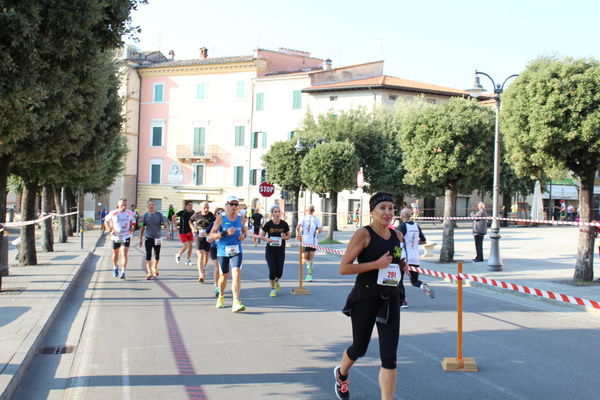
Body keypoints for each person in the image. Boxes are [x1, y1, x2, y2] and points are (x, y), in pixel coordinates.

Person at [335, 192, 407, 400]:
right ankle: (342, 374)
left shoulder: (397, 236)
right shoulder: (363, 234)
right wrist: (376, 265)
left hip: (389, 298)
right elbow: (344, 268)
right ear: (372, 211)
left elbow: (394, 262)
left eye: (390, 208)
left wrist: (402, 266)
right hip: (365, 297)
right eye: (382, 208)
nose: (387, 212)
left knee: (389, 357)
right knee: (359, 348)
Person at [209, 195, 247, 312]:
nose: (234, 207)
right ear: (227, 205)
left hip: (236, 250)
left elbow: (244, 231)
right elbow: (211, 235)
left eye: (236, 204)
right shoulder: (221, 218)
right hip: (222, 251)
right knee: (224, 276)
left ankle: (236, 301)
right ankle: (221, 296)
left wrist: (243, 236)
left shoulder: (241, 218)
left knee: (236, 274)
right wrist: (225, 233)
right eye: (232, 204)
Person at [396, 208, 434, 308]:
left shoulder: (402, 226)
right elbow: (424, 241)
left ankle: (403, 301)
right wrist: (413, 242)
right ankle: (422, 286)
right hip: (415, 257)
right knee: (414, 281)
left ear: (402, 216)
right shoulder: (416, 226)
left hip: (405, 258)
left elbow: (397, 239)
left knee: (399, 280)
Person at [260, 204, 290, 297]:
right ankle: (272, 289)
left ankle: (276, 281)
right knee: (272, 271)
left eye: (278, 211)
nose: (277, 213)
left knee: (279, 272)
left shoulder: (284, 224)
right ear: (272, 213)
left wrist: (285, 237)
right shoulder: (268, 224)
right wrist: (267, 240)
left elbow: (288, 236)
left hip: (281, 250)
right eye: (275, 212)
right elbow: (262, 236)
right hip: (270, 250)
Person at [104, 198, 137, 279]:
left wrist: (132, 228)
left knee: (124, 252)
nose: (124, 207)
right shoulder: (113, 213)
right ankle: (115, 267)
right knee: (115, 252)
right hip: (116, 236)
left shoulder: (129, 213)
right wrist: (110, 230)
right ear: (118, 205)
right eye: (122, 205)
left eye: (125, 205)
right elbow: (105, 221)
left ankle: (123, 272)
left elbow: (133, 222)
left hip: (126, 235)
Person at [139, 200, 169, 279]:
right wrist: (140, 239)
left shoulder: (159, 215)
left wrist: (168, 232)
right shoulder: (145, 216)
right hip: (148, 238)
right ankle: (149, 272)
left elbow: (165, 223)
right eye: (149, 205)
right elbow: (142, 228)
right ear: (147, 206)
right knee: (148, 255)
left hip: (157, 238)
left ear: (154, 206)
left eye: (152, 205)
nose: (151, 206)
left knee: (157, 256)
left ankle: (155, 266)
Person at [296, 205, 323, 282]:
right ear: (313, 211)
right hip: (313, 242)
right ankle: (309, 275)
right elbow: (321, 229)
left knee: (304, 259)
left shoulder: (303, 218)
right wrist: (317, 231)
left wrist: (297, 234)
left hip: (305, 242)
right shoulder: (316, 219)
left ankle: (309, 273)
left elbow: (298, 227)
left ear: (306, 211)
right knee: (311, 259)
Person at [189, 201, 215, 282]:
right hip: (198, 237)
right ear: (201, 208)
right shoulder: (196, 215)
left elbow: (216, 223)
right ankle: (201, 274)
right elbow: (190, 221)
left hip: (208, 238)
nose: (206, 209)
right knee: (200, 255)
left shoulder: (211, 215)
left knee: (206, 256)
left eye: (207, 207)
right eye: (204, 207)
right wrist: (193, 228)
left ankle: (203, 268)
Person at [207, 207, 224, 297]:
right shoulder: (213, 224)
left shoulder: (226, 224)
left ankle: (221, 285)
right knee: (217, 267)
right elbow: (207, 234)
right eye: (218, 213)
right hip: (214, 248)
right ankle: (216, 286)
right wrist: (210, 238)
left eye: (222, 213)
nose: (220, 215)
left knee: (223, 270)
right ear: (215, 215)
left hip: (224, 249)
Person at [173, 201, 195, 265]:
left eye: (191, 205)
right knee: (186, 246)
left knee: (190, 246)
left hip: (190, 231)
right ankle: (178, 254)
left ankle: (188, 260)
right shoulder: (182, 212)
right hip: (183, 232)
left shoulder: (193, 212)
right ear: (186, 206)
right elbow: (173, 216)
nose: (190, 206)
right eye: (189, 205)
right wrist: (175, 226)